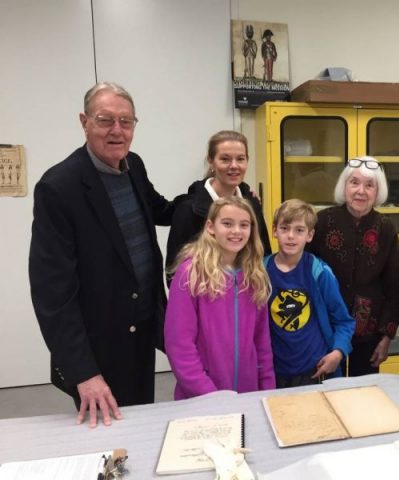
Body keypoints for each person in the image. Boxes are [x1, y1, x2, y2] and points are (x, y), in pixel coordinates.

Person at [28, 82, 177, 428]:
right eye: (105, 120)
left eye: (126, 122)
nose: (117, 131)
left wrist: (216, 196)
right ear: (84, 122)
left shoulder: (133, 166)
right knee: (107, 435)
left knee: (139, 424)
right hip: (98, 344)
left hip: (141, 331)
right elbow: (52, 294)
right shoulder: (59, 188)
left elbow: (162, 210)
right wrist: (84, 372)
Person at [165, 196, 275, 399]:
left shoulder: (255, 276)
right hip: (201, 397)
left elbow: (262, 343)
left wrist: (267, 390)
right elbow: (179, 344)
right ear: (210, 227)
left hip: (247, 395)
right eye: (227, 223)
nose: (236, 231)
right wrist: (210, 396)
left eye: (244, 225)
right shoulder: (191, 274)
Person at [307, 156, 399, 376]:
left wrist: (386, 337)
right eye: (354, 183)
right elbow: (304, 275)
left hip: (370, 332)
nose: (361, 191)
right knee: (328, 390)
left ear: (377, 191)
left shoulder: (386, 228)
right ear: (345, 186)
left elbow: (395, 289)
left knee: (364, 395)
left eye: (369, 185)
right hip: (326, 327)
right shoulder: (322, 222)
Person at [265, 199, 355, 387]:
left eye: (299, 230)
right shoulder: (260, 271)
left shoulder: (319, 272)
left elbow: (344, 321)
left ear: (310, 235)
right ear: (274, 231)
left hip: (315, 371)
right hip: (274, 371)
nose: (291, 236)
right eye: (284, 228)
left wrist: (338, 353)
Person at [166, 130, 271, 283]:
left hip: (246, 295)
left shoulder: (252, 204)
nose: (234, 166)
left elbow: (264, 256)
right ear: (211, 161)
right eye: (225, 159)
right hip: (206, 299)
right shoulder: (188, 209)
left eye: (240, 159)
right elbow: (174, 274)